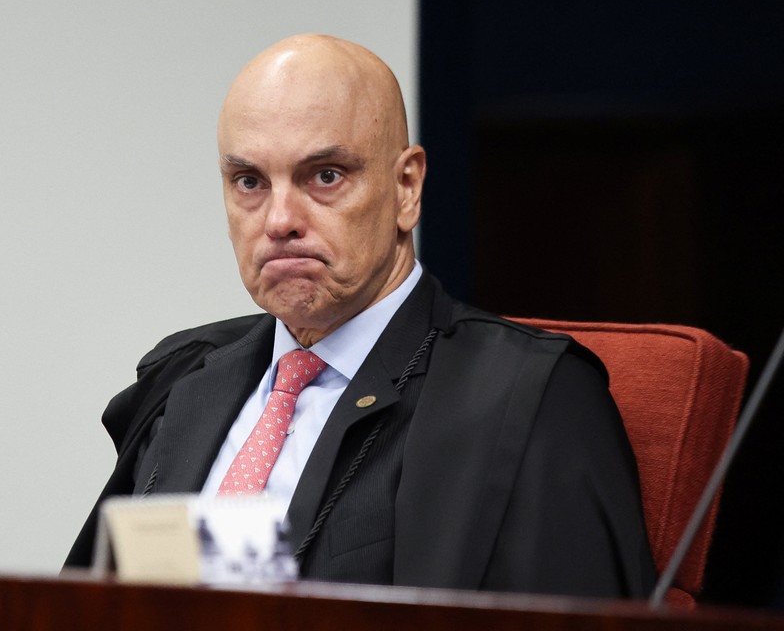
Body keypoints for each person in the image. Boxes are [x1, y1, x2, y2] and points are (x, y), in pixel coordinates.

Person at [64, 34, 657, 598]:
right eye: (249, 181)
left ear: (406, 187)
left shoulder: (530, 397)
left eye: (324, 176)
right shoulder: (182, 380)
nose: (278, 220)